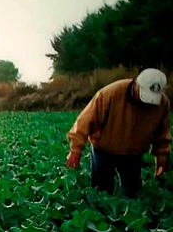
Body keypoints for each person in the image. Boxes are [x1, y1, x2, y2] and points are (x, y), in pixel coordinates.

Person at [66, 68, 172, 198]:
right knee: (102, 191)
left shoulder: (162, 104)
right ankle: (101, 215)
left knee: (132, 192)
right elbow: (85, 122)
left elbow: (162, 132)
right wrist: (75, 150)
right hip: (104, 150)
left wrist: (162, 155)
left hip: (134, 154)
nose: (147, 102)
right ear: (136, 85)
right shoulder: (110, 94)